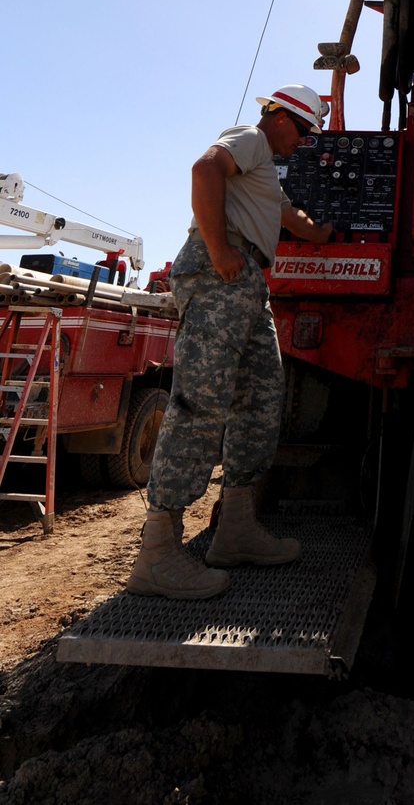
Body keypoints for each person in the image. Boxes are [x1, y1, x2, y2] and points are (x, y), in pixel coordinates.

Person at [127, 84, 334, 599]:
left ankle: (236, 529)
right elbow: (205, 170)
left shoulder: (264, 173)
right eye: (305, 131)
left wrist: (326, 231)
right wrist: (219, 249)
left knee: (261, 399)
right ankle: (156, 553)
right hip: (223, 274)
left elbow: (292, 219)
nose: (304, 143)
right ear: (282, 119)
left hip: (248, 284)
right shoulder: (250, 138)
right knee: (201, 402)